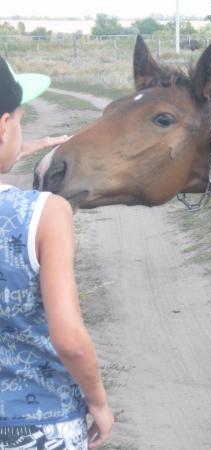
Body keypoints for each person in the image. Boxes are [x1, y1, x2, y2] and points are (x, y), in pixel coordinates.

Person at [0, 56, 113, 449]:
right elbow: (70, 340)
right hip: (41, 424)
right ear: (3, 127)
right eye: (19, 119)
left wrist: (17, 149)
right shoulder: (43, 214)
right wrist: (98, 401)